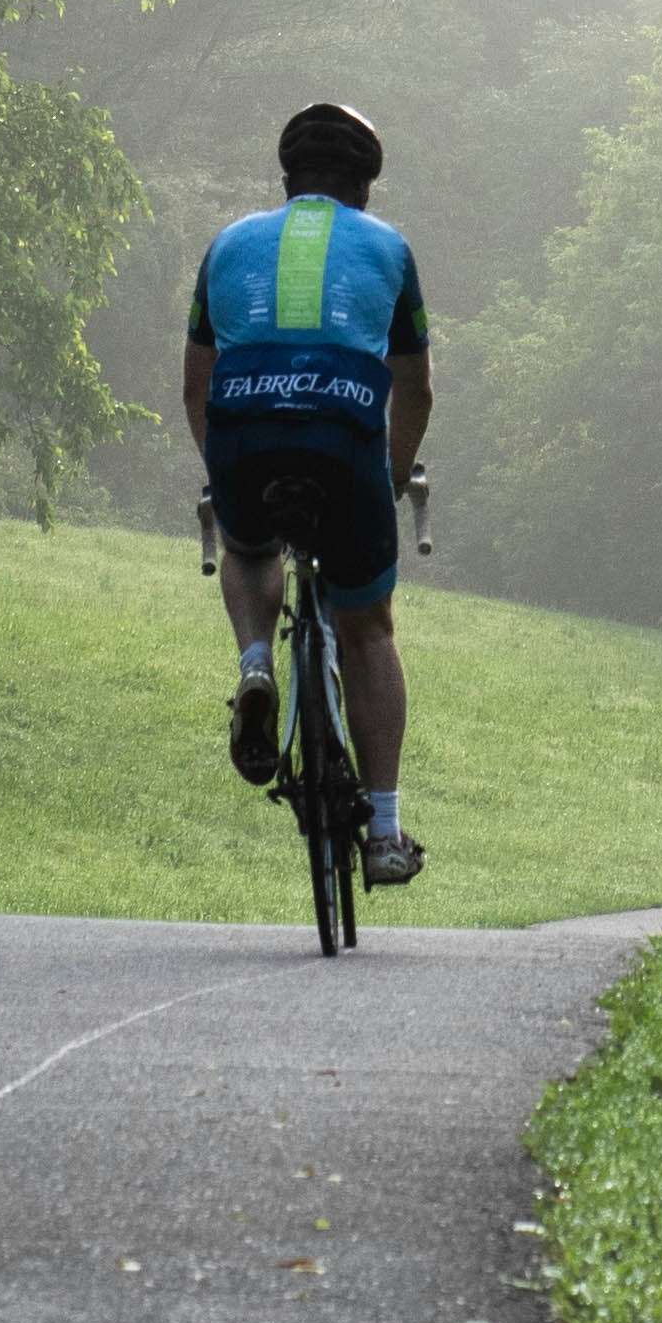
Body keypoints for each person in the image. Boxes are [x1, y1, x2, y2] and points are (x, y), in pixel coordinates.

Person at [185, 98, 433, 890]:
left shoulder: (226, 245)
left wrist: (224, 472)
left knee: (250, 543)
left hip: (242, 433)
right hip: (343, 439)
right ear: (364, 185)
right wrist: (389, 477)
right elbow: (417, 390)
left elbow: (196, 385)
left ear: (287, 179)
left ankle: (256, 662)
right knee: (368, 629)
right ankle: (387, 831)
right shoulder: (389, 248)